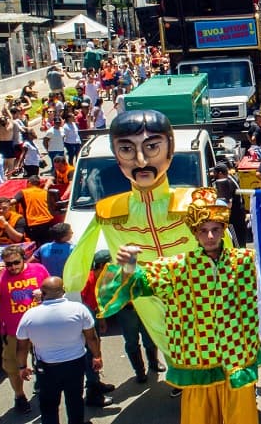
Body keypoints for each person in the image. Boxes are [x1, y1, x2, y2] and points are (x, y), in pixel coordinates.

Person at [63, 110, 220, 360]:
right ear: (116, 156)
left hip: (202, 296)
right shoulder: (109, 212)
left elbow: (228, 255)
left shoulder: (197, 202)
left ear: (170, 149)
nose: (140, 160)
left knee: (212, 351)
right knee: (176, 353)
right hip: (150, 302)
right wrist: (75, 286)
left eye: (152, 148)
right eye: (126, 150)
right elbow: (85, 268)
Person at [99, 188, 261, 424]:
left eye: (215, 230)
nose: (209, 236)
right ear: (195, 233)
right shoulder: (176, 267)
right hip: (197, 359)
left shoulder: (245, 261)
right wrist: (128, 266)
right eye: (203, 231)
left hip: (237, 355)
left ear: (223, 230)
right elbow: (138, 284)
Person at [15, 277, 104, 424]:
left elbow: (22, 347)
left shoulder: (29, 316)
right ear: (63, 291)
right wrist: (97, 356)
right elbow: (92, 338)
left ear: (42, 293)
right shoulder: (79, 309)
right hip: (75, 364)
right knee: (75, 400)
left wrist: (22, 367)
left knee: (48, 405)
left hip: (46, 368)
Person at [0, 244, 50, 413]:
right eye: (8, 264)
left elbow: (54, 290)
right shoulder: (0, 276)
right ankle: (19, 396)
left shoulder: (38, 269)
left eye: (16, 262)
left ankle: (43, 386)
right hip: (13, 332)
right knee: (13, 367)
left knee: (46, 361)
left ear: (23, 258)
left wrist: (44, 293)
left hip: (40, 328)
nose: (12, 267)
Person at [13, 175, 56, 246]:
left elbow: (13, 201)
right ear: (39, 184)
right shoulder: (45, 192)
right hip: (47, 222)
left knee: (35, 246)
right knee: (48, 244)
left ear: (29, 183)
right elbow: (51, 178)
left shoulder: (23, 192)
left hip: (33, 224)